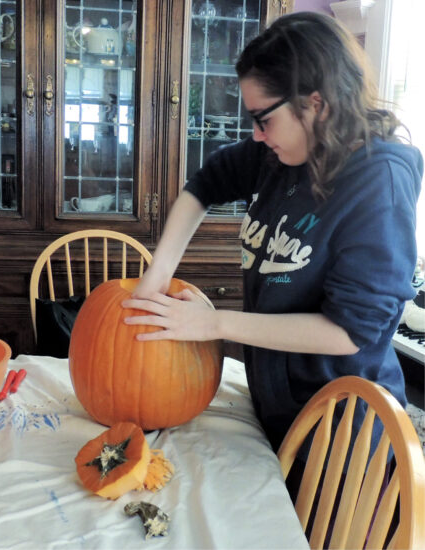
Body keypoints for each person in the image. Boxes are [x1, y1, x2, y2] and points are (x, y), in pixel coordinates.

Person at [121, 12, 423, 456]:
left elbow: (349, 332)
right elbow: (204, 185)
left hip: (342, 434)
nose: (256, 135)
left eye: (263, 119)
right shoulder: (280, 152)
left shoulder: (380, 181)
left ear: (315, 104)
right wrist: (158, 273)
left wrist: (215, 324)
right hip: (279, 410)